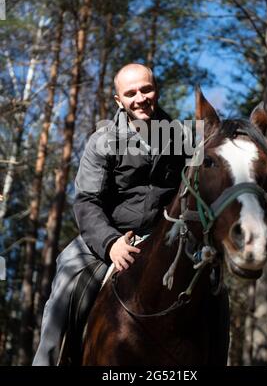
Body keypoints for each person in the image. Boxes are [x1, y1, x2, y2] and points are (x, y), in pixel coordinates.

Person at [32, 63, 186, 366]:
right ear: (119, 101)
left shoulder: (180, 138)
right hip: (105, 241)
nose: (140, 97)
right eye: (130, 93)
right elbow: (86, 202)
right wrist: (111, 243)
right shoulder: (101, 141)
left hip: (163, 242)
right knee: (67, 284)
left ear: (157, 90)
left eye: (146, 89)